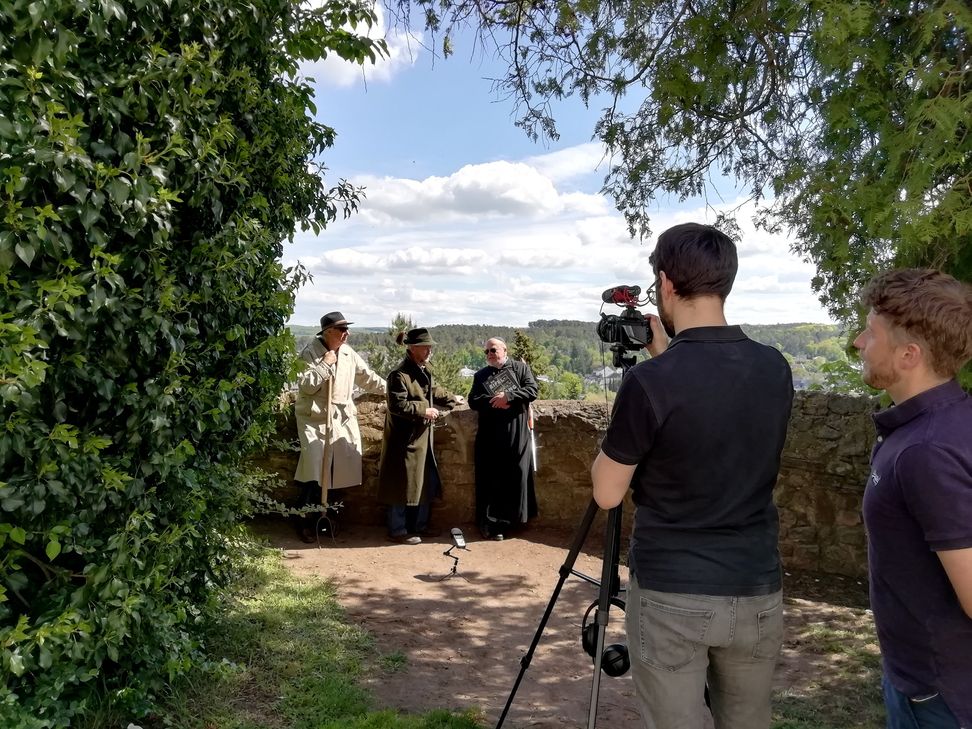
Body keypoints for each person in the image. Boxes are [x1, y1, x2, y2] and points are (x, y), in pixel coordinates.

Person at [590, 222, 794, 729]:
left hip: (673, 592)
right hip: (756, 584)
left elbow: (608, 493)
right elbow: (715, 413)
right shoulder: (774, 367)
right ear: (726, 280)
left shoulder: (649, 382)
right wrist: (668, 354)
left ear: (665, 283)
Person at [853, 268, 972, 729]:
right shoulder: (946, 422)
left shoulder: (927, 452)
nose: (860, 343)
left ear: (909, 354)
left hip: (939, 696)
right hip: (925, 682)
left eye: (871, 332)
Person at [293, 311, 386, 543]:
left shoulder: (348, 353)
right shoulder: (310, 353)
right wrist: (325, 364)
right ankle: (305, 519)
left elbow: (367, 378)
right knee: (314, 470)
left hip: (341, 420)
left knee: (337, 471)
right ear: (328, 332)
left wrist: (391, 390)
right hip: (315, 420)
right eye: (342, 329)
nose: (347, 333)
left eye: (347, 329)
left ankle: (328, 517)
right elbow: (306, 386)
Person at [377, 327, 462, 545]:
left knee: (424, 482)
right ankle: (397, 529)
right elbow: (397, 405)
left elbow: (433, 391)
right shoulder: (399, 375)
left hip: (421, 438)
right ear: (413, 348)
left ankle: (419, 526)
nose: (429, 350)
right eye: (425, 347)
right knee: (402, 484)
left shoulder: (422, 368)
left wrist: (453, 399)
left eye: (429, 346)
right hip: (404, 440)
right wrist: (424, 410)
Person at [468, 337, 539, 540]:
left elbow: (532, 390)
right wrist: (494, 401)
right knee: (491, 480)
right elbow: (473, 400)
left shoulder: (520, 369)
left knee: (515, 477)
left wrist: (508, 397)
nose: (490, 354)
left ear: (505, 350)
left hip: (517, 435)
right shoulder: (481, 375)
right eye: (487, 351)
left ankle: (514, 523)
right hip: (490, 436)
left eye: (493, 350)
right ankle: (491, 524)